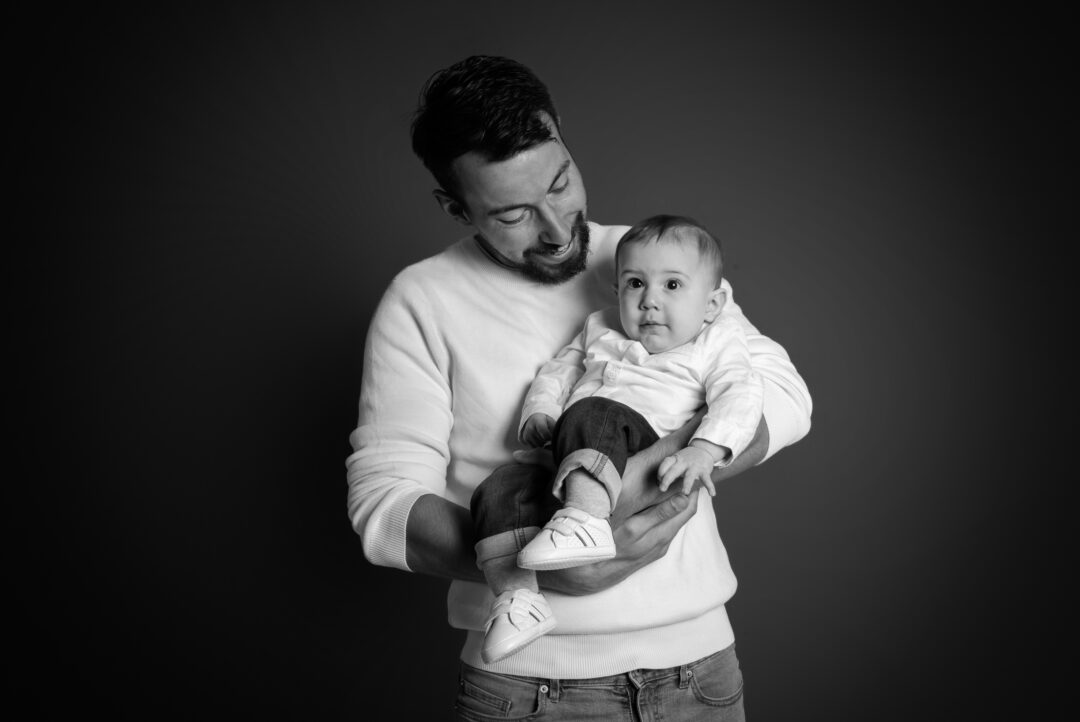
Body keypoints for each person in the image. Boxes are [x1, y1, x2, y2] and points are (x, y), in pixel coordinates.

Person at [346, 55, 812, 720]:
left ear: (561, 131)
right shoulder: (420, 300)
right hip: (525, 688)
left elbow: (782, 395)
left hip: (698, 670)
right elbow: (384, 504)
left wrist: (632, 487)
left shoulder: (654, 261)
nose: (558, 229)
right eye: (513, 214)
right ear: (455, 207)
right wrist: (538, 565)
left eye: (560, 183)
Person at [472, 214, 765, 665]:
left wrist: (704, 450)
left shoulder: (717, 340)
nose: (649, 301)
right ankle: (519, 601)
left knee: (595, 410)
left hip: (638, 447)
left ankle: (587, 519)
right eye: (635, 284)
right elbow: (559, 371)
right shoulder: (599, 326)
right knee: (498, 488)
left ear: (712, 304)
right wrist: (542, 412)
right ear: (617, 290)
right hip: (568, 451)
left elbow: (742, 394)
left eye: (672, 285)